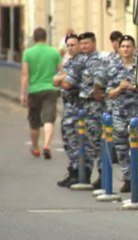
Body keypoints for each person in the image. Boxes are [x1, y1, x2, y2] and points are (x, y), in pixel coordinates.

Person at [65, 32, 106, 189]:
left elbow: (100, 79)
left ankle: (102, 177)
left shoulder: (98, 60)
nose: (83, 47)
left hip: (95, 107)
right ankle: (85, 175)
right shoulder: (82, 61)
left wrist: (96, 90)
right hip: (85, 107)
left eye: (86, 44)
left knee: (96, 142)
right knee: (87, 142)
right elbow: (68, 78)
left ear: (94, 43)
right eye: (81, 44)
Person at [107, 35, 138, 193]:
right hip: (119, 113)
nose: (125, 49)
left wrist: (131, 87)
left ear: (134, 48)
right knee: (122, 148)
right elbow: (109, 92)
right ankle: (128, 179)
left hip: (136, 112)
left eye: (128, 46)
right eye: (123, 46)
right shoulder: (114, 66)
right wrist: (119, 89)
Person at [20, 27, 62, 160]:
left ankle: (36, 147)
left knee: (34, 121)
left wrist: (23, 93)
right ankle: (47, 145)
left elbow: (25, 75)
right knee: (49, 118)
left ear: (34, 38)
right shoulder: (54, 52)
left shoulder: (28, 53)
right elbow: (61, 71)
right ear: (46, 37)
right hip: (50, 89)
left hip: (34, 90)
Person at [54, 33, 84, 187]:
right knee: (67, 141)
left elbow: (66, 84)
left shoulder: (80, 62)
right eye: (69, 46)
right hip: (68, 107)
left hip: (77, 108)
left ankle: (78, 172)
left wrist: (62, 78)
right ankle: (73, 170)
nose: (71, 48)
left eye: (73, 45)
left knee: (75, 141)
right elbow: (56, 80)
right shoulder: (69, 62)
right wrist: (62, 78)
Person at [105, 31, 124, 164]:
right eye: (113, 41)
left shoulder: (128, 57)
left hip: (125, 100)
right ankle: (113, 155)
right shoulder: (110, 58)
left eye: (117, 41)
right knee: (111, 129)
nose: (115, 44)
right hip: (111, 100)